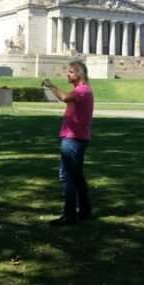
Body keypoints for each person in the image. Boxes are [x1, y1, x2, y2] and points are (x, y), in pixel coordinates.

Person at [42, 61, 94, 226]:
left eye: (71, 72)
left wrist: (50, 85)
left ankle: (69, 215)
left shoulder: (82, 91)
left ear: (79, 73)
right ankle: (85, 211)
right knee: (77, 176)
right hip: (77, 137)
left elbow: (64, 97)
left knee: (67, 176)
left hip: (73, 138)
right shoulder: (82, 90)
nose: (68, 74)